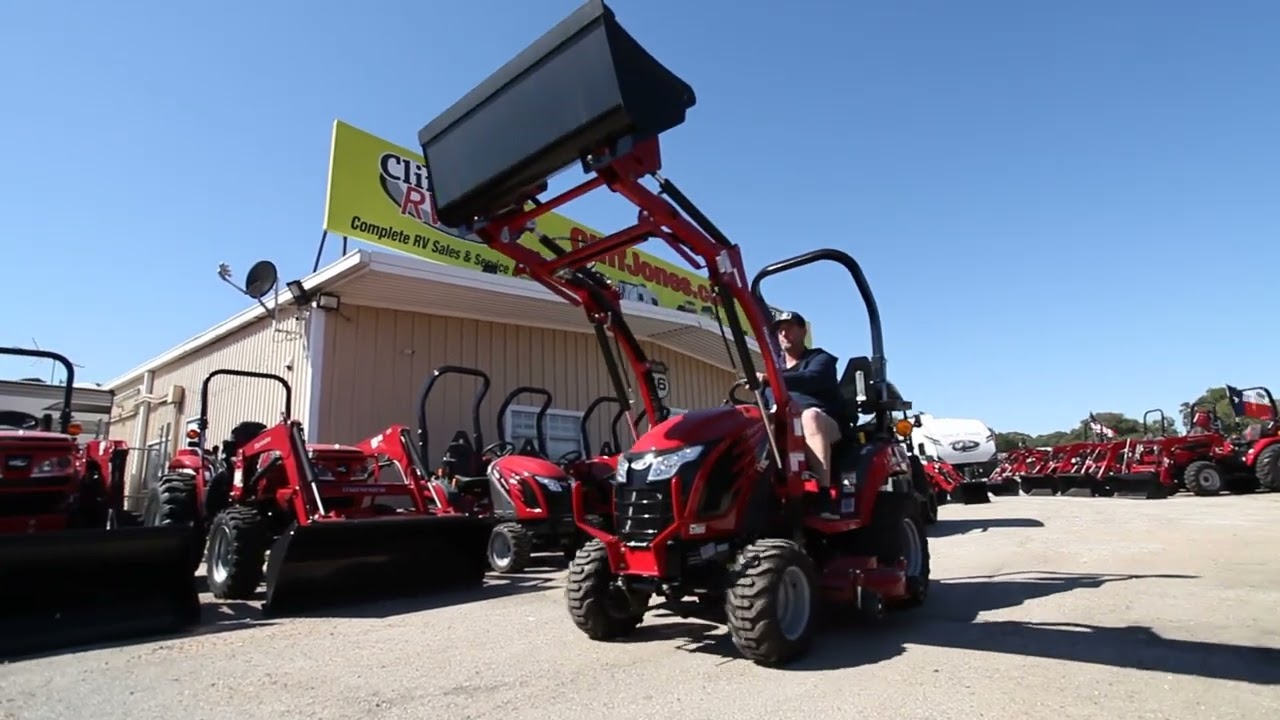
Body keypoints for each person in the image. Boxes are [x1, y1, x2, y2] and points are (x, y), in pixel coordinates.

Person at [758, 311, 845, 519]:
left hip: (825, 426)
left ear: (803, 331)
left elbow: (811, 378)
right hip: (784, 430)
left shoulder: (820, 359)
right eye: (780, 330)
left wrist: (771, 379)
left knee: (809, 417)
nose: (783, 333)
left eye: (789, 328)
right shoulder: (773, 372)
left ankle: (823, 496)